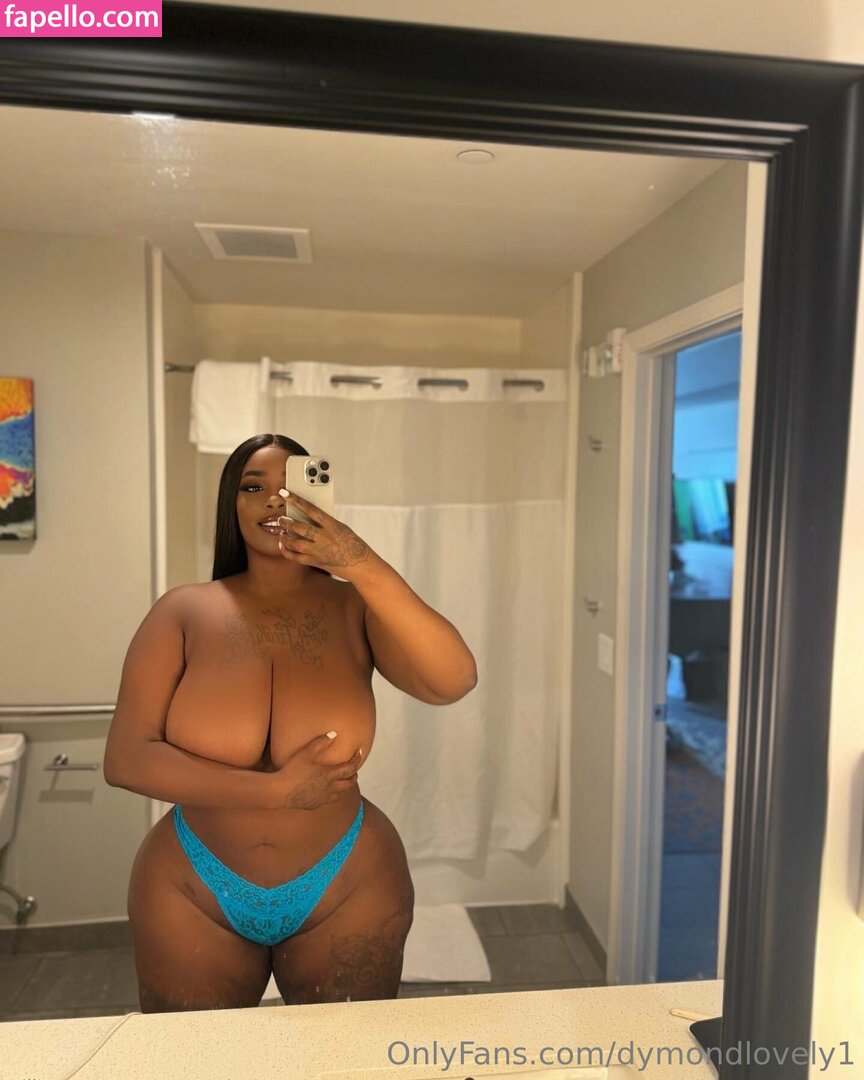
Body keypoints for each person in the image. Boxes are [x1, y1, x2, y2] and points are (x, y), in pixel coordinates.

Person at [104, 433, 478, 1012]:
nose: (274, 500)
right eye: (253, 487)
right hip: (192, 886)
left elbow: (454, 680)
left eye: (291, 486)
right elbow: (126, 758)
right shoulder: (183, 611)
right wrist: (275, 791)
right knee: (193, 1056)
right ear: (231, 505)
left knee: (346, 1054)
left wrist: (359, 561)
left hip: (348, 881)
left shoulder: (356, 609)